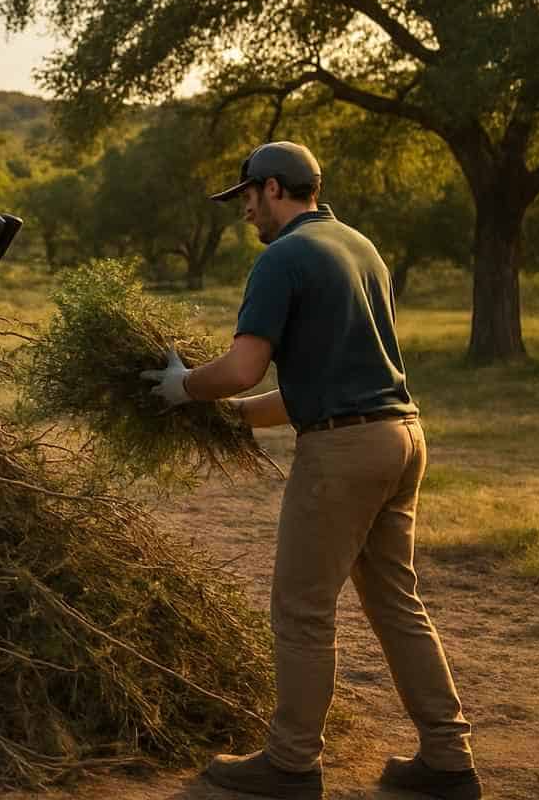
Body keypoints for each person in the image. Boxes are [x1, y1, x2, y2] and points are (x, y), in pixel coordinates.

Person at [140, 142, 481, 800]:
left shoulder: (284, 257)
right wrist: (232, 417)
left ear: (272, 189)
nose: (243, 213)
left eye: (245, 198)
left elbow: (242, 366)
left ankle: (291, 763)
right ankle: (447, 757)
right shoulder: (359, 247)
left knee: (301, 609)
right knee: (395, 602)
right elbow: (313, 387)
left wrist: (184, 387)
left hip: (343, 455)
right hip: (399, 436)